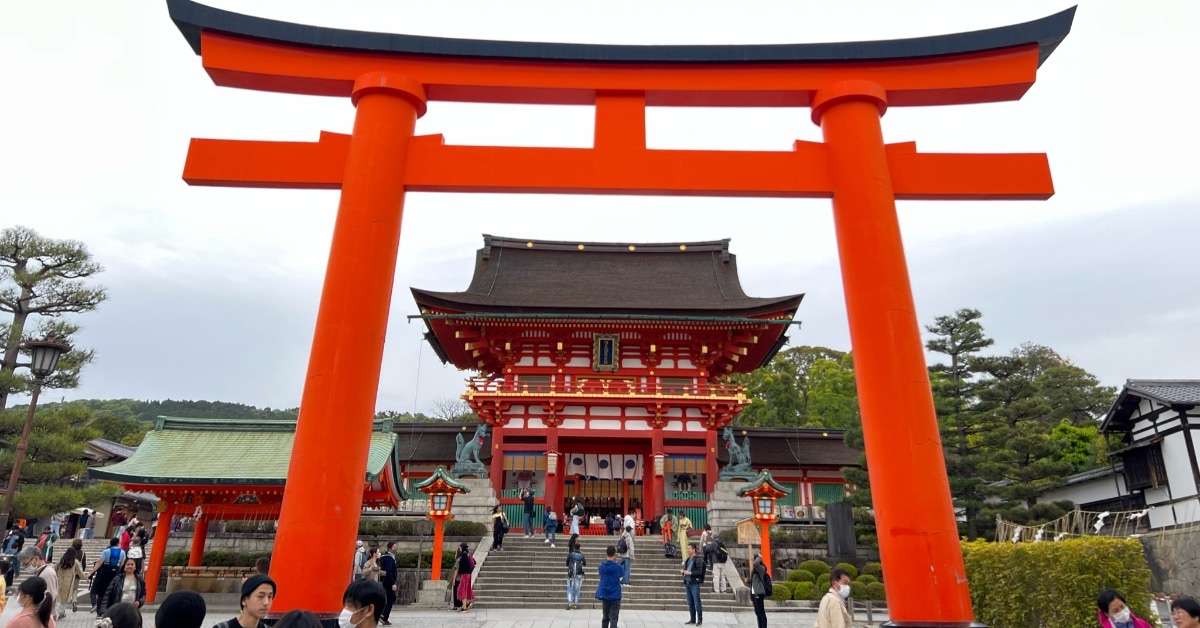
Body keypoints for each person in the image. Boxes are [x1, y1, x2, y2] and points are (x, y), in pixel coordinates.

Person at [19, 546, 59, 617]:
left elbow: (49, 599)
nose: (25, 567)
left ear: (36, 559)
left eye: (26, 564)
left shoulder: (47, 574)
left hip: (44, 617)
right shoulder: (41, 572)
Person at [88, 539, 124, 614]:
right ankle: (109, 610)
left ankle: (99, 611)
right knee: (110, 591)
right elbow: (121, 564)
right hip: (115, 573)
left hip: (105, 572)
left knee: (101, 592)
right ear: (118, 543)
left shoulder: (106, 551)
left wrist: (91, 572)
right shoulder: (122, 552)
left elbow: (99, 563)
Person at [595, 545, 623, 628]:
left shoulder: (601, 566)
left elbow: (601, 575)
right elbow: (621, 578)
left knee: (605, 617)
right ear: (614, 554)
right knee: (614, 618)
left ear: (606, 554)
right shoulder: (618, 567)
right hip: (615, 594)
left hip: (605, 594)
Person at [54, 546, 84, 618]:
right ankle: (60, 612)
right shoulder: (75, 562)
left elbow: (55, 568)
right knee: (65, 599)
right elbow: (80, 572)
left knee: (58, 597)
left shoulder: (61, 560)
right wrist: (85, 577)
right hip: (68, 583)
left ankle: (57, 612)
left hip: (59, 581)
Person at [681, 543, 705, 625]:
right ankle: (692, 619)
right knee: (690, 602)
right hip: (687, 583)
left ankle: (700, 620)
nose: (688, 550)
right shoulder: (688, 559)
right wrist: (683, 572)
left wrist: (690, 573)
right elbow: (686, 570)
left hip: (694, 583)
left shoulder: (698, 559)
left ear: (694, 549)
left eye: (689, 549)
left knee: (697, 602)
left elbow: (699, 572)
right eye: (687, 548)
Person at [749, 553, 771, 628]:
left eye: (754, 559)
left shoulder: (761, 568)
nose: (753, 561)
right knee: (758, 613)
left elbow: (755, 563)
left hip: (759, 593)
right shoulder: (756, 569)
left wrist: (759, 557)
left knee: (761, 612)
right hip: (755, 593)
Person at [565, 534, 586, 610]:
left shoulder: (570, 554)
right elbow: (585, 563)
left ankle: (570, 603)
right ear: (580, 548)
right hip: (579, 573)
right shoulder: (581, 555)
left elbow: (567, 563)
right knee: (577, 589)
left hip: (571, 573)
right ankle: (575, 604)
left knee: (570, 588)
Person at [379, 541, 398, 625]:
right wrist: (393, 583)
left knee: (390, 598)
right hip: (388, 581)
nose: (396, 548)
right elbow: (389, 571)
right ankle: (383, 615)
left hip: (385, 580)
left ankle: (384, 617)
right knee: (391, 598)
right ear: (390, 547)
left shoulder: (385, 557)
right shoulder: (388, 558)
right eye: (394, 546)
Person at [456, 542, 476, 611]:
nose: (459, 549)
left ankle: (464, 606)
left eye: (460, 547)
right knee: (466, 589)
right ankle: (467, 603)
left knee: (462, 589)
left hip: (464, 575)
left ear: (462, 547)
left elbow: (463, 566)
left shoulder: (463, 555)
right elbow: (474, 562)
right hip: (468, 575)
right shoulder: (468, 554)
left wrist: (459, 574)